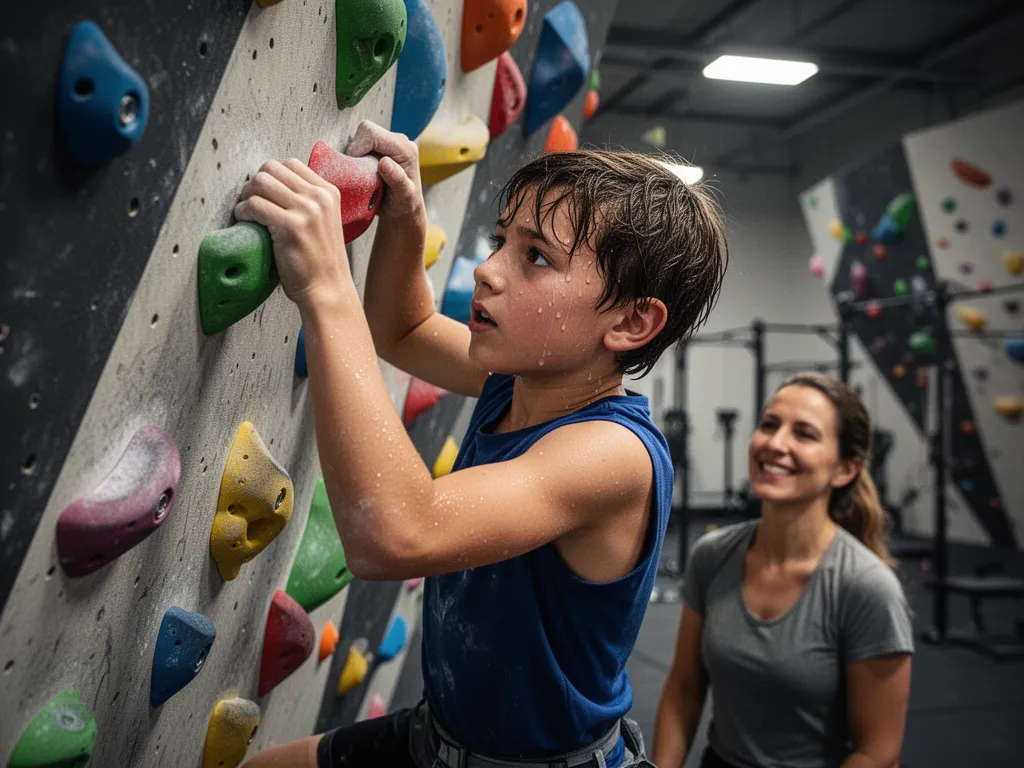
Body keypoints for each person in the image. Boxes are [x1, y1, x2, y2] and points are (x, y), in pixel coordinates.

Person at [236, 121, 728, 768]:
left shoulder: (613, 454)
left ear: (632, 321)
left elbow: (395, 534)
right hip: (436, 736)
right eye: (501, 241)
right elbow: (403, 328)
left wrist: (327, 287)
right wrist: (406, 217)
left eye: (537, 257)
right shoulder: (518, 380)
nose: (488, 271)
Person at [652, 372, 914, 768]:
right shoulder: (713, 555)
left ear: (845, 469)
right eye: (770, 425)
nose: (775, 444)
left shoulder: (867, 587)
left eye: (804, 434)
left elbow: (876, 753)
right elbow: (685, 687)